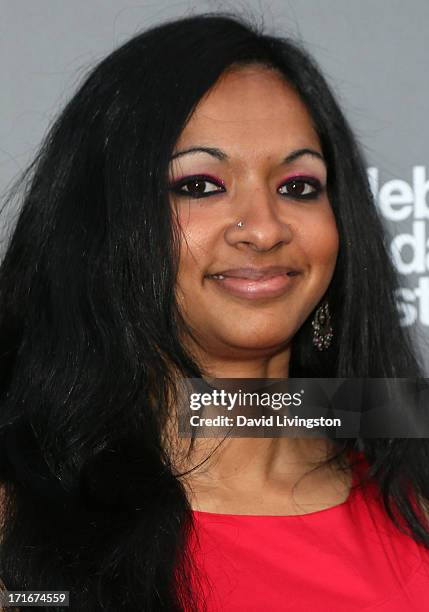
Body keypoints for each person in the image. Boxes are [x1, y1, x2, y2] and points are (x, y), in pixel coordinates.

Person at [0, 12, 428, 612]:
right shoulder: (18, 526)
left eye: (298, 186)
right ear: (101, 231)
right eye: (200, 185)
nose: (264, 228)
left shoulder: (412, 479)